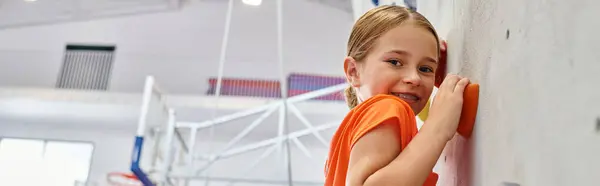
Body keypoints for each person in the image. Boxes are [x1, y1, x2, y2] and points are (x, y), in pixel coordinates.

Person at [324, 5, 469, 186]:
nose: (414, 78)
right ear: (353, 71)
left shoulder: (343, 144)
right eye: (395, 62)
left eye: (425, 69)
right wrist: (438, 127)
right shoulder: (387, 107)